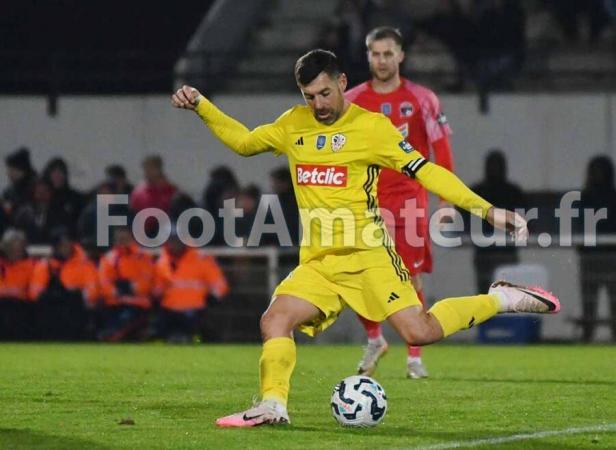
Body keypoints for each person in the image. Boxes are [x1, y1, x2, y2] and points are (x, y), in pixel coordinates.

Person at [171, 49, 560, 427]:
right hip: (321, 264)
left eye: (325, 93)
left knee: (419, 332)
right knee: (275, 320)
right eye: (309, 96)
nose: (318, 104)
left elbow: (427, 172)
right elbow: (244, 142)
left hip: (369, 256)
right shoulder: (294, 124)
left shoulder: (372, 128)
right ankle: (273, 404)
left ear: (342, 82)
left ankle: (501, 298)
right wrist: (202, 106)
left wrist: (487, 210)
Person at [345, 26, 457, 379]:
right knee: (357, 274)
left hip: (409, 201)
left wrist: (447, 200)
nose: (381, 60)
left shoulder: (423, 98)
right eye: (375, 54)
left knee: (408, 279)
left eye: (388, 53)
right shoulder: (351, 100)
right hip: (366, 202)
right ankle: (376, 338)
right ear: (368, 56)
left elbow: (441, 148)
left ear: (401, 55)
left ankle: (414, 357)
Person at [577, 155, 616, 342]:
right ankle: (587, 336)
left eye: (601, 170)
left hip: (612, 257)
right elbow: (577, 225)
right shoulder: (584, 198)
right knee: (588, 301)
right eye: (595, 170)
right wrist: (583, 247)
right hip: (589, 257)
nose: (598, 175)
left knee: (615, 300)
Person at [468, 149, 527, 293]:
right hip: (484, 253)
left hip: (507, 252)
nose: (494, 170)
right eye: (492, 165)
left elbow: (524, 219)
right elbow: (465, 219)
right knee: (484, 293)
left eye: (497, 165)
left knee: (508, 294)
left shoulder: (513, 192)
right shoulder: (477, 191)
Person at [153, 234, 229, 343]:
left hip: (195, 309)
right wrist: (156, 295)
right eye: (172, 241)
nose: (175, 245)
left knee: (198, 333)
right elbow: (157, 287)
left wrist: (213, 297)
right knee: (159, 332)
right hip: (168, 309)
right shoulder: (162, 262)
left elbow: (220, 284)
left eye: (178, 241)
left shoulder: (202, 260)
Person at [29, 229, 99, 340]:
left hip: (77, 310)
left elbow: (92, 292)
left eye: (67, 243)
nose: (65, 247)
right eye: (61, 245)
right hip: (52, 311)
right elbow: (34, 293)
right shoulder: (45, 265)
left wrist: (72, 293)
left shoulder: (86, 264)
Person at [97, 226, 155, 341]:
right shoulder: (108, 259)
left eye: (125, 237)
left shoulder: (143, 257)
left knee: (126, 321)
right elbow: (104, 283)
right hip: (115, 303)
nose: (122, 241)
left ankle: (115, 335)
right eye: (119, 237)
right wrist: (118, 290)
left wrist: (126, 287)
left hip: (138, 304)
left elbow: (146, 283)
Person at [0, 229, 35, 340]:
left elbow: (33, 293)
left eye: (18, 249)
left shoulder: (32, 266)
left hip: (21, 308)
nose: (15, 252)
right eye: (11, 248)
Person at [130, 155, 178, 235]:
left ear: (159, 169)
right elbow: (133, 211)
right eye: (146, 169)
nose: (147, 172)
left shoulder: (170, 189)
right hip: (144, 231)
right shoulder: (139, 191)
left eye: (151, 168)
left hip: (165, 230)